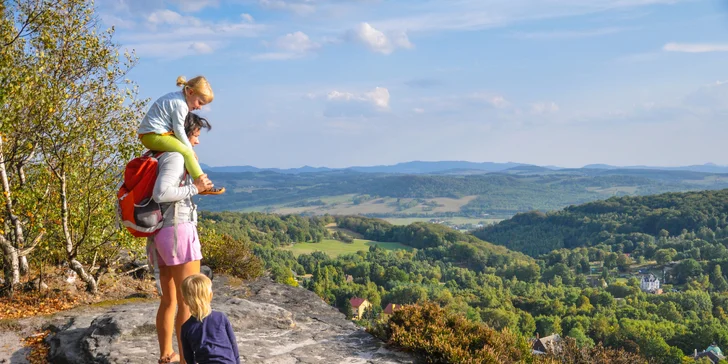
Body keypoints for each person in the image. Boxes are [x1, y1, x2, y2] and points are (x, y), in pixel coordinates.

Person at [150, 113, 214, 364]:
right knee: (188, 301)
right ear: (181, 134)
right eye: (195, 135)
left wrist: (195, 188)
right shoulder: (176, 157)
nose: (197, 142)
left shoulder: (159, 155)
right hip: (178, 232)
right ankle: (187, 360)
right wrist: (195, 189)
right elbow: (161, 192)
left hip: (161, 233)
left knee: (169, 300)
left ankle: (167, 355)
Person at [138, 75, 224, 195]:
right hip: (153, 135)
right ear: (190, 92)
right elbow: (178, 129)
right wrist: (189, 149)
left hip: (151, 134)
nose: (199, 107)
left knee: (185, 150)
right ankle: (202, 183)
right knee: (187, 152)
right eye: (199, 102)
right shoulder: (181, 105)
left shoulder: (176, 98)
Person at [180, 274, 240, 364]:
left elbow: (188, 356)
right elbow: (233, 344)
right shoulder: (220, 317)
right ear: (210, 296)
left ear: (184, 300)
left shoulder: (186, 327)